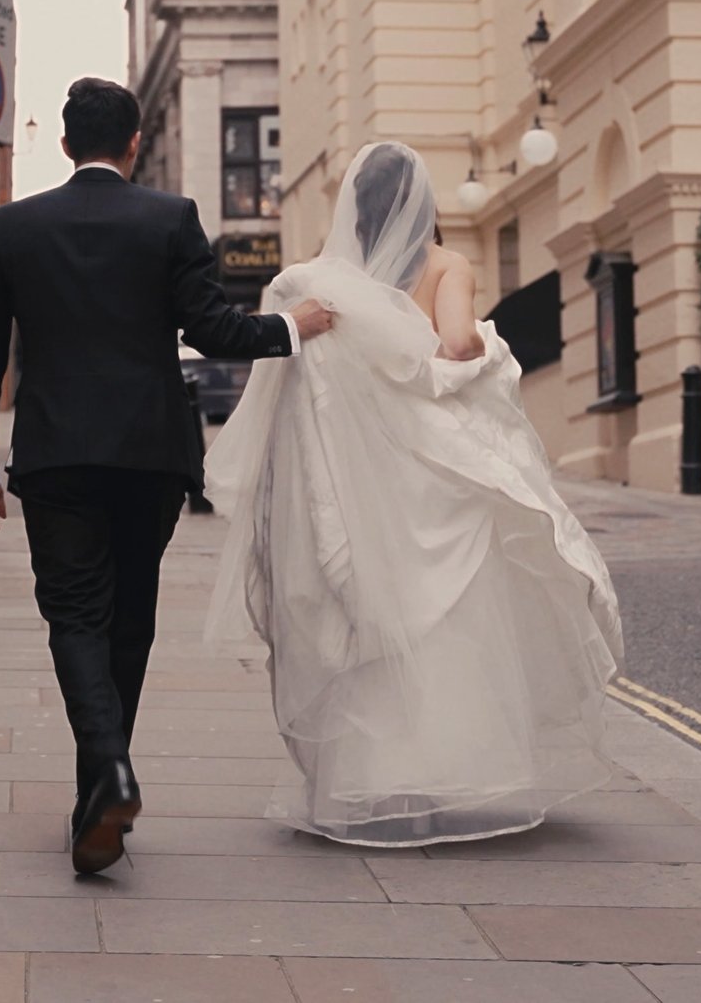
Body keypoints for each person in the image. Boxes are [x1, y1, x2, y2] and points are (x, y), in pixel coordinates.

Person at [0, 78, 334, 875]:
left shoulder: (15, 227)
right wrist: (294, 327)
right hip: (151, 456)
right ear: (132, 145)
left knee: (75, 617)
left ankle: (108, 778)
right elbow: (214, 328)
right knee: (129, 621)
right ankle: (103, 802)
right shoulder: (170, 219)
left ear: (63, 146)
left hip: (57, 456)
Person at [202, 142, 625, 846]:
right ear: (423, 204)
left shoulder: (326, 283)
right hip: (427, 471)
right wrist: (490, 348)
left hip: (361, 478)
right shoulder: (445, 265)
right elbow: (456, 343)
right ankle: (444, 765)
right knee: (445, 619)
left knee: (370, 610)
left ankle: (368, 774)